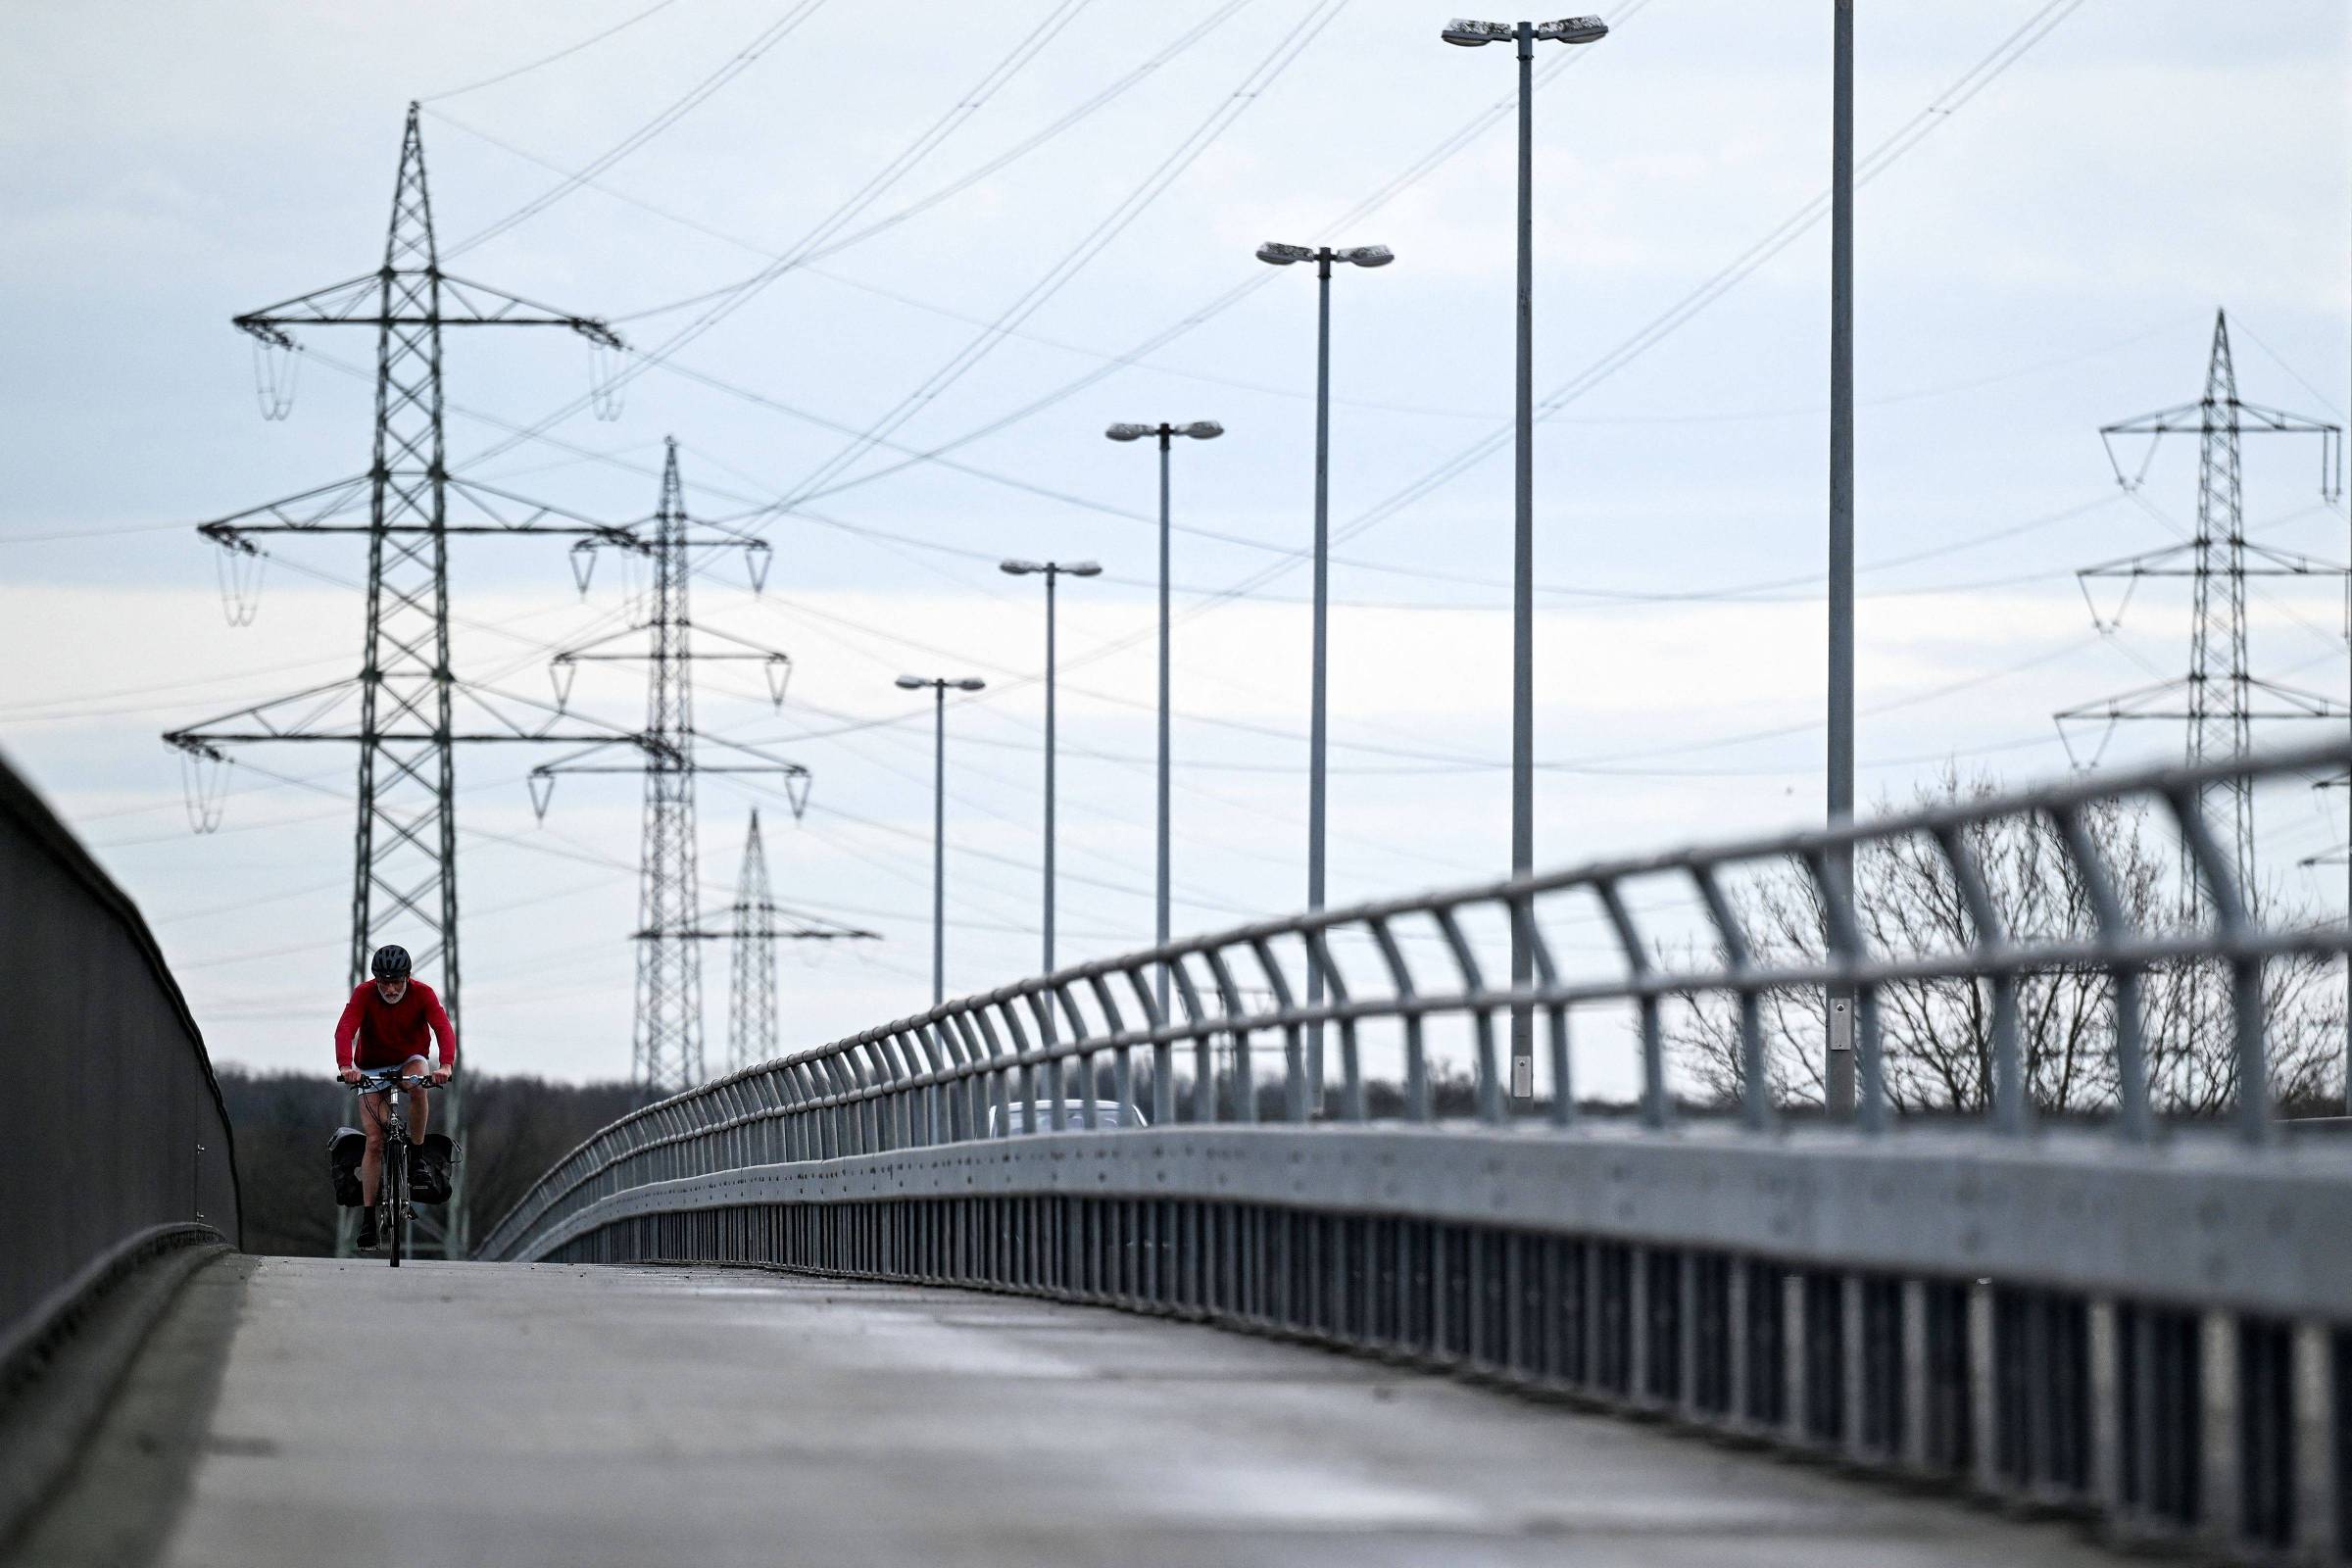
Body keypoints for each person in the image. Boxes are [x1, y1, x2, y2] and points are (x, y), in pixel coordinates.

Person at [334, 944, 456, 1250]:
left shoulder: (423, 994)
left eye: (396, 982)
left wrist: (445, 1065)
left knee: (418, 1085)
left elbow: (442, 1027)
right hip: (371, 1067)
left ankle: (415, 1158)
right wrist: (346, 1066)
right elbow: (346, 1028)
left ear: (407, 978)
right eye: (383, 982)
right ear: (375, 980)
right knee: (374, 1142)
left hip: (409, 1059)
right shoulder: (364, 994)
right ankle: (368, 1221)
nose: (390, 988)